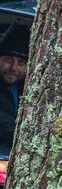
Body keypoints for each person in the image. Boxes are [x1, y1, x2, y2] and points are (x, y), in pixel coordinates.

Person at [0, 25, 29, 157]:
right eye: (8, 60)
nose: (13, 67)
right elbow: (6, 126)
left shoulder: (26, 87)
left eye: (21, 63)